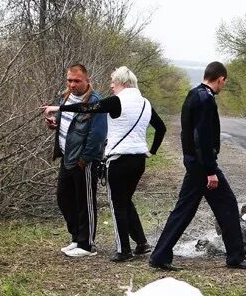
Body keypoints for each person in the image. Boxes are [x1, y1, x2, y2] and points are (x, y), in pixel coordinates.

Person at [43, 66, 167, 262]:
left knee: (117, 204)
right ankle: (141, 243)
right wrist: (152, 151)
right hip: (139, 160)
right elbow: (161, 128)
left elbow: (87, 109)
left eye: (113, 82)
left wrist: (59, 108)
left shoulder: (116, 101)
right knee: (125, 201)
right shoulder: (145, 103)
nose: (111, 86)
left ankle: (122, 249)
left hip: (118, 159)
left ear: (122, 83)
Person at [150, 61, 246, 271]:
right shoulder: (206, 99)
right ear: (221, 79)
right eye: (223, 83)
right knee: (227, 205)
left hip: (194, 164)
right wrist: (210, 170)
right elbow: (202, 137)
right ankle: (236, 257)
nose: (222, 86)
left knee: (186, 210)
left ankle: (160, 254)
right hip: (202, 166)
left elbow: (188, 134)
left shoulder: (193, 94)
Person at [45, 64, 107, 257]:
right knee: (64, 198)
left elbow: (98, 134)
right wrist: (53, 124)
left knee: (85, 201)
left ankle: (87, 245)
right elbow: (66, 125)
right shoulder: (63, 98)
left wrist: (85, 159)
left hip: (84, 160)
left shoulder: (96, 102)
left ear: (87, 80)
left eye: (77, 80)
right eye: (69, 80)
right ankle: (76, 238)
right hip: (66, 156)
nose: (72, 84)